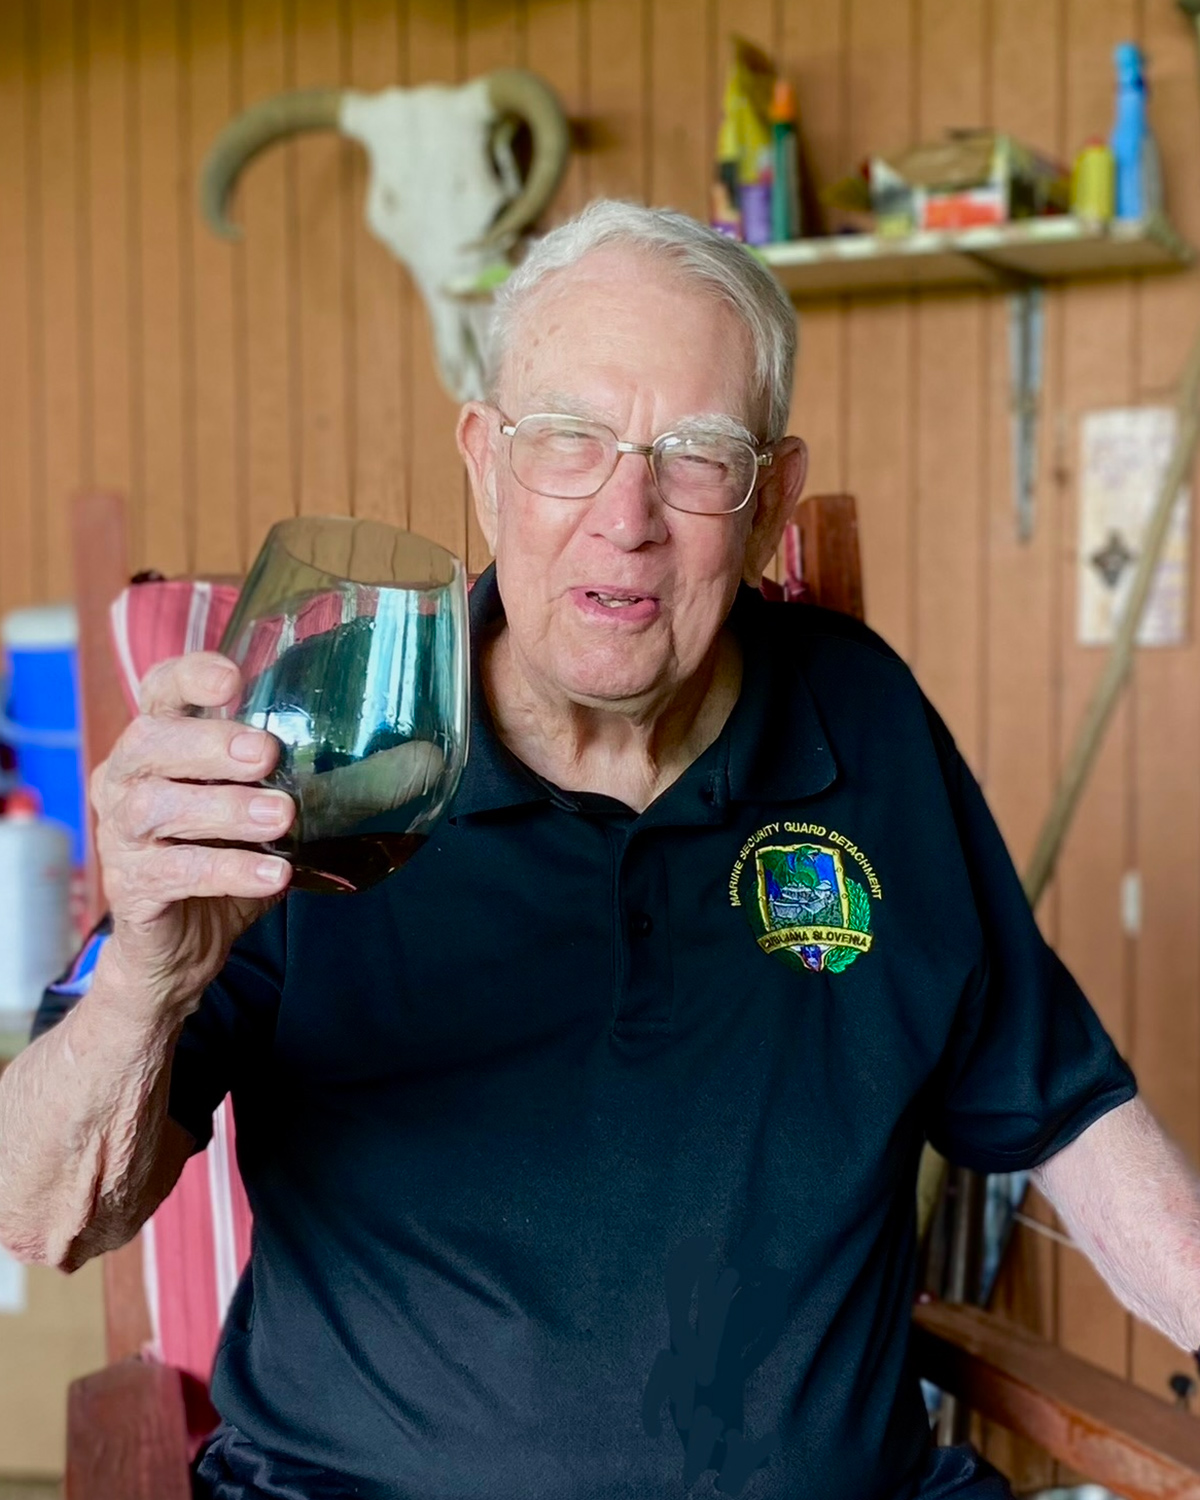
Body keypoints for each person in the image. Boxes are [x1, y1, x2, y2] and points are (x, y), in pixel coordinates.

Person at [0, 200, 1198, 1500]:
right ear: (485, 459)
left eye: (695, 455)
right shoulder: (307, 735)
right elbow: (46, 1211)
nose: (625, 515)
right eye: (569, 439)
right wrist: (143, 986)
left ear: (768, 498)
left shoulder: (864, 723)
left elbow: (1074, 1113)